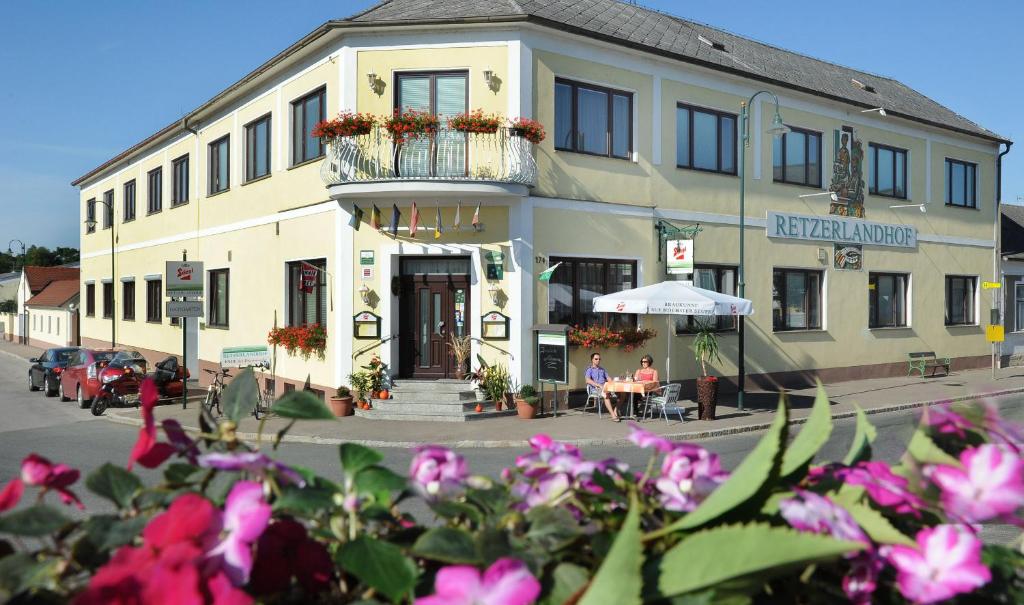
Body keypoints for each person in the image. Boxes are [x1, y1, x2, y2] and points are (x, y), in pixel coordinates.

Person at [584, 352, 620, 422]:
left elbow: (608, 378)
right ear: (592, 360)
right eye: (596, 359)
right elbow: (587, 380)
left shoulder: (602, 369)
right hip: (595, 389)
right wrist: (598, 385)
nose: (598, 360)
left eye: (599, 359)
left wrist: (613, 381)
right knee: (606, 394)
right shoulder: (590, 369)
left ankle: (616, 410)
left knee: (622, 393)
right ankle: (613, 415)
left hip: (605, 387)